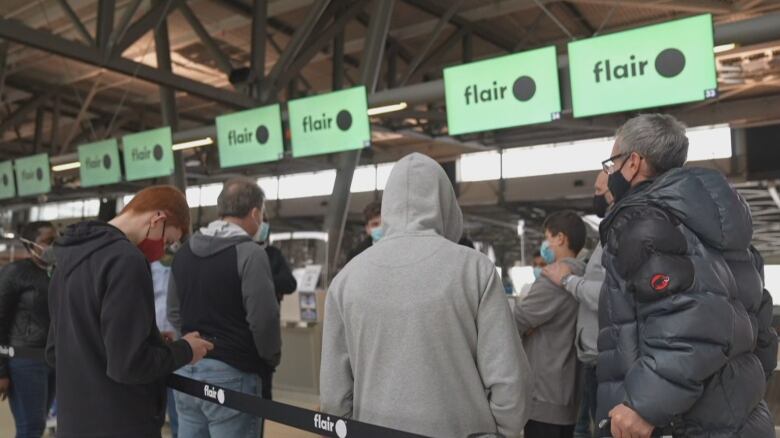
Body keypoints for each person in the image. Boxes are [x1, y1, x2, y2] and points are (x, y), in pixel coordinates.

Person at [321, 153, 531, 438]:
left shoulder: (346, 280)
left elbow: (334, 395)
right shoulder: (475, 270)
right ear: (446, 203)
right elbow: (509, 380)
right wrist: (504, 432)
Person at [597, 114, 776, 438]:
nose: (609, 174)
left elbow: (689, 320)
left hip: (681, 423)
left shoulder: (645, 222)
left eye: (612, 163)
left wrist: (644, 405)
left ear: (633, 162)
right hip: (736, 414)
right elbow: (760, 325)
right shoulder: (724, 228)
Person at [45, 185, 213, 438]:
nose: (162, 250)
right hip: (120, 422)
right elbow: (129, 364)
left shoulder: (68, 258)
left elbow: (54, 351)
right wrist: (185, 350)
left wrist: (149, 341)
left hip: (73, 422)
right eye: (167, 241)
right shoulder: (126, 260)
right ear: (158, 219)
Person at [167, 177, 279, 438]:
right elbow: (264, 318)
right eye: (261, 214)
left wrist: (190, 345)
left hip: (187, 369)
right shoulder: (250, 253)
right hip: (234, 374)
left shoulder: (184, 253)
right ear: (254, 212)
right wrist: (269, 357)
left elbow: (172, 310)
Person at [542, 170, 612, 438]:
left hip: (604, 360)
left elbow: (609, 295)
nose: (595, 196)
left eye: (598, 190)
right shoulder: (607, 236)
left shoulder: (559, 276)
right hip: (594, 359)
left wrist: (569, 282)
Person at [514, 211, 586, 438]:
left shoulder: (553, 279)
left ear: (561, 238)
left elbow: (517, 320)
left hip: (546, 395)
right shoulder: (582, 273)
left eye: (548, 237)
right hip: (568, 391)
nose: (546, 244)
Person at [0, 222, 57, 438]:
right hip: (24, 361)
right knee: (30, 428)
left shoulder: (58, 273)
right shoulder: (14, 273)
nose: (54, 245)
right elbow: (0, 320)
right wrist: (1, 370)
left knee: (39, 424)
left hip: (52, 360)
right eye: (48, 241)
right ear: (30, 244)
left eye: (56, 239)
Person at [257, 214, 297, 403]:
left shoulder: (273, 254)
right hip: (242, 333)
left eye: (265, 222)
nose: (262, 226)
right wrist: (273, 285)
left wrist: (262, 282)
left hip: (268, 329)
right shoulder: (237, 251)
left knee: (265, 390)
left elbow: (289, 283)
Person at [151, 255, 179, 438]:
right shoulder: (150, 265)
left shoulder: (180, 264)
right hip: (154, 340)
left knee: (176, 398)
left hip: (177, 341)